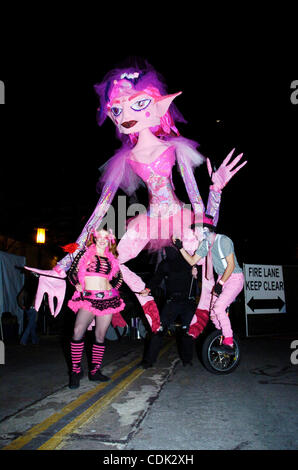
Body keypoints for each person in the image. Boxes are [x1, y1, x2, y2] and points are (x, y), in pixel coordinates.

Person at [25, 60, 246, 342]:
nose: (126, 114)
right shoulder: (125, 159)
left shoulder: (174, 148)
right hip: (150, 220)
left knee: (204, 260)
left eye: (138, 104)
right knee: (111, 261)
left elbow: (196, 201)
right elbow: (100, 210)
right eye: (117, 109)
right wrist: (64, 264)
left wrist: (215, 192)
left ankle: (206, 312)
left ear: (158, 105)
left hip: (178, 217)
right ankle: (145, 298)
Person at [173, 214, 244, 353]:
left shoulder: (223, 241)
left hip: (234, 278)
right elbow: (193, 261)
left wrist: (220, 283)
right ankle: (224, 333)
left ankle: (229, 342)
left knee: (218, 307)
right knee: (213, 313)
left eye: (197, 229)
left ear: (206, 229)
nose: (195, 233)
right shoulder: (206, 245)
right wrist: (180, 247)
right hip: (222, 279)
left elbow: (231, 265)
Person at [67, 228, 125, 389]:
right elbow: (72, 273)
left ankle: (95, 371)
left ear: (110, 240)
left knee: (100, 335)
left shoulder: (112, 257)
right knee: (78, 330)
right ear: (94, 238)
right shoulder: (84, 254)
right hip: (88, 298)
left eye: (105, 237)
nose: (102, 239)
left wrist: (112, 289)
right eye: (99, 236)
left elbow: (119, 278)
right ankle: (75, 371)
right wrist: (76, 284)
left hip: (108, 299)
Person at [139, 246, 199, 368]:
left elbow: (204, 275)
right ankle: (148, 361)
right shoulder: (165, 263)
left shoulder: (190, 260)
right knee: (159, 329)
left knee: (187, 331)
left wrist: (196, 274)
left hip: (188, 301)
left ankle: (187, 360)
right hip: (172, 302)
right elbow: (156, 278)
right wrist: (147, 289)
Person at [18, 278, 39, 346]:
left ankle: (35, 340)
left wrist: (22, 305)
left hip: (27, 309)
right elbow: (37, 299)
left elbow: (19, 297)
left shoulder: (25, 289)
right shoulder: (36, 290)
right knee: (30, 325)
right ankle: (23, 340)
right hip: (33, 309)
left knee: (32, 325)